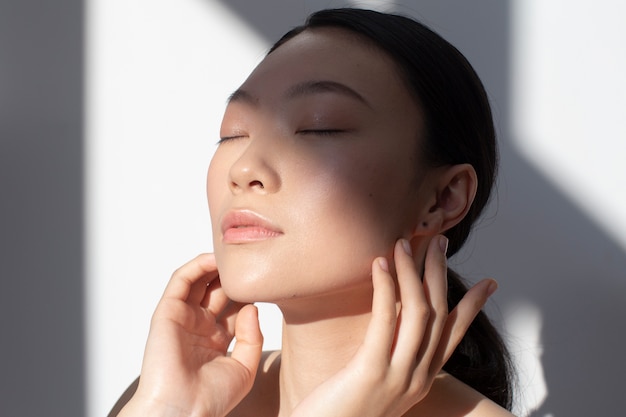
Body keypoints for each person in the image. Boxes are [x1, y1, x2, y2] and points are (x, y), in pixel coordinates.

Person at [111, 8, 515, 417]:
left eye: (320, 127)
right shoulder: (171, 396)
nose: (244, 168)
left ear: (442, 198)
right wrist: (165, 408)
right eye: (233, 133)